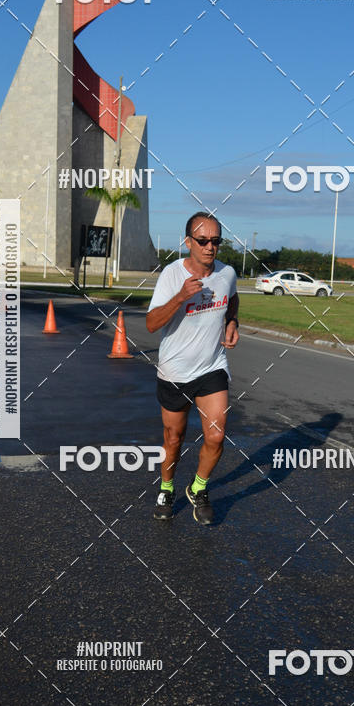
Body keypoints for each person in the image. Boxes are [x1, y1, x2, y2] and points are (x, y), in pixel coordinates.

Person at [146, 213, 240, 525]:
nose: (210, 246)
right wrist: (181, 297)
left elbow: (233, 298)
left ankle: (198, 488)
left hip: (212, 368)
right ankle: (166, 488)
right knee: (174, 438)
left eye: (216, 241)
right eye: (203, 241)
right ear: (188, 242)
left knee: (216, 437)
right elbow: (150, 324)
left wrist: (232, 321)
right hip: (174, 372)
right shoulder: (171, 276)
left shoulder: (227, 273)